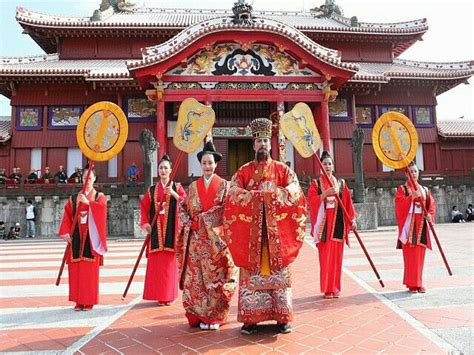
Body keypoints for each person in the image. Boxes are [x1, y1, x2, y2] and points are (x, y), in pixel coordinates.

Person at [223, 118, 307, 335]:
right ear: (253, 145)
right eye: (258, 140)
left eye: (265, 141)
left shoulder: (282, 170)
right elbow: (232, 193)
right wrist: (255, 199)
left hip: (276, 235)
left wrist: (275, 196)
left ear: (271, 144)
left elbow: (295, 191)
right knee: (251, 276)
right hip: (252, 237)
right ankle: (251, 319)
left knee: (279, 276)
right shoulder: (244, 171)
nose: (262, 145)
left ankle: (282, 317)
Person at [177, 141, 237, 331]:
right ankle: (199, 314)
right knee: (196, 279)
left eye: (210, 163)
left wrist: (203, 221)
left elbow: (226, 210)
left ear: (216, 164)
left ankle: (215, 315)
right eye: (204, 163)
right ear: (200, 165)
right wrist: (189, 223)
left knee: (216, 279)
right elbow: (183, 208)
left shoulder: (224, 186)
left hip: (216, 242)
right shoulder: (193, 187)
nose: (208, 166)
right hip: (196, 240)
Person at [308, 151, 357, 299]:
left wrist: (352, 219)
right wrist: (324, 194)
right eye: (325, 164)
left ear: (333, 166)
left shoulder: (341, 183)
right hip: (325, 225)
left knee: (337, 258)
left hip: (338, 224)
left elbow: (347, 203)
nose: (327, 166)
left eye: (330, 164)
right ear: (320, 166)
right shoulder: (316, 184)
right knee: (326, 258)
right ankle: (327, 289)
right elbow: (311, 201)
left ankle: (335, 288)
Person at [58, 164, 107, 311]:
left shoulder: (99, 197)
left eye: (90, 177)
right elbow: (67, 216)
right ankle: (78, 300)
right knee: (76, 270)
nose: (87, 180)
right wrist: (65, 232)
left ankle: (89, 300)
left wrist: (89, 203)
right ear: (81, 178)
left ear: (94, 179)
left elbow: (102, 213)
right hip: (76, 238)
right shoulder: (74, 198)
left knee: (89, 272)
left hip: (91, 239)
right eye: (85, 177)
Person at [140, 154, 186, 305]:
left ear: (171, 170)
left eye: (166, 167)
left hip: (171, 232)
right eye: (161, 168)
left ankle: (169, 295)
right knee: (157, 266)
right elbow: (144, 207)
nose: (163, 170)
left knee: (169, 265)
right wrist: (146, 223)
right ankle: (159, 295)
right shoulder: (152, 190)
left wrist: (173, 194)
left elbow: (186, 203)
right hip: (155, 232)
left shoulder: (177, 187)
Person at [395, 162, 436, 293]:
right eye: (411, 172)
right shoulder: (403, 189)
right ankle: (412, 284)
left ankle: (419, 282)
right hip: (409, 226)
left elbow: (431, 206)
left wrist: (429, 215)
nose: (413, 174)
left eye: (415, 171)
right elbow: (399, 205)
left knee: (420, 256)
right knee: (410, 257)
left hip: (421, 226)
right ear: (406, 174)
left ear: (418, 173)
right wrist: (411, 197)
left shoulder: (424, 190)